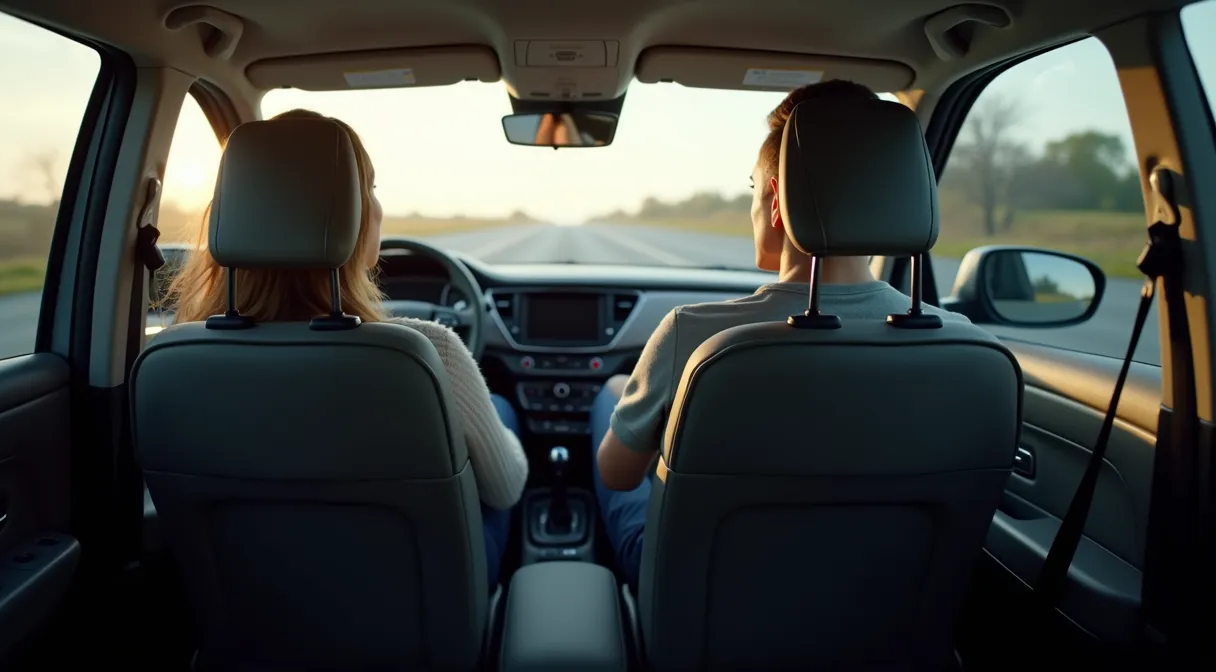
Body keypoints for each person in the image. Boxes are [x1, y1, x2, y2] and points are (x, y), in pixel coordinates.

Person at [589, 80, 970, 590]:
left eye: (752, 188)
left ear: (775, 201)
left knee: (608, 401)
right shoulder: (961, 346)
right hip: (881, 610)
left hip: (703, 607)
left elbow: (618, 475)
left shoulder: (696, 336)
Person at [169, 108, 528, 588]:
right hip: (419, 616)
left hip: (249, 617)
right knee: (500, 413)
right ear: (356, 216)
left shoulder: (173, 360)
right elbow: (505, 489)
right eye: (371, 189)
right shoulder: (430, 352)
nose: (377, 206)